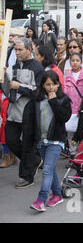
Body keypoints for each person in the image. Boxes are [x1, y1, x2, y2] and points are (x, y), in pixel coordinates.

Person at [3, 38, 44, 188]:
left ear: (29, 49)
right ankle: (33, 160)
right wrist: (4, 80)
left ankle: (27, 176)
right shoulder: (13, 66)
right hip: (13, 110)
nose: (17, 52)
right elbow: (8, 91)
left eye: (20, 49)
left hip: (28, 110)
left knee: (27, 143)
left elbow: (39, 92)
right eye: (15, 50)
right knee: (10, 139)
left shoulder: (37, 68)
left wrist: (20, 86)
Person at [28, 71, 71, 211]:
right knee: (50, 169)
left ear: (58, 84)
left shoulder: (63, 99)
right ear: (42, 85)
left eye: (54, 84)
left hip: (56, 140)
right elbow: (32, 120)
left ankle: (41, 199)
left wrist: (53, 101)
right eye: (47, 84)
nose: (51, 87)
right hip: (41, 140)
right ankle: (57, 194)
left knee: (46, 170)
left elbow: (63, 118)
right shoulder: (37, 98)